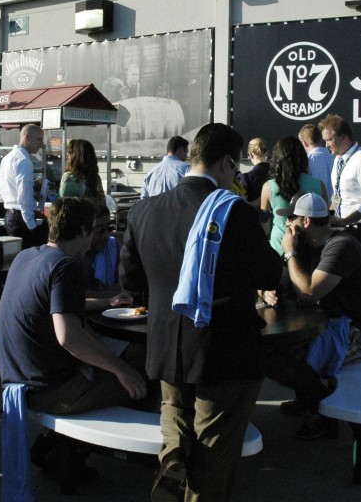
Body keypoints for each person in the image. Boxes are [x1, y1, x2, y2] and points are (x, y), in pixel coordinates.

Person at [122, 123, 282, 502]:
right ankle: (191, 482)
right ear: (227, 163)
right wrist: (287, 248)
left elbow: (130, 281)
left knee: (173, 405)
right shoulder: (234, 213)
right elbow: (269, 274)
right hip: (222, 351)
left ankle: (173, 454)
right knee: (214, 446)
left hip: (165, 343)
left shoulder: (143, 210)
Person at [0, 197, 145, 410]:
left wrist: (106, 302)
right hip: (50, 390)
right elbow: (69, 337)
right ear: (85, 230)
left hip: (16, 380)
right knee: (143, 380)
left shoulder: (26, 256)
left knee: (128, 355)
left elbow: (54, 306)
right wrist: (122, 370)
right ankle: (86, 443)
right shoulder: (65, 266)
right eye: (96, 229)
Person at [263, 192, 361, 440]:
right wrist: (265, 291)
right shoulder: (308, 244)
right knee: (272, 351)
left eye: (291, 218)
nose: (287, 225)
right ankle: (309, 399)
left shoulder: (341, 246)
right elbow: (282, 279)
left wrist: (290, 253)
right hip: (329, 326)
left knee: (283, 358)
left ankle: (320, 409)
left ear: (306, 222)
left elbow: (308, 290)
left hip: (356, 333)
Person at [319, 114, 361, 336]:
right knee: (346, 286)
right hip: (344, 228)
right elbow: (339, 196)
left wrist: (346, 220)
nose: (326, 145)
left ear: (343, 137)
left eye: (329, 140)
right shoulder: (339, 160)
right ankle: (349, 334)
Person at [261, 137, 327, 256]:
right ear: (302, 158)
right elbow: (324, 219)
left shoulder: (268, 187)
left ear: (277, 160)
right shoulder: (318, 184)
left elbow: (264, 224)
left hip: (278, 249)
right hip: (310, 249)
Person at [0, 124, 47, 248]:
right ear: (27, 137)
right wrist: (31, 225)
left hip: (10, 216)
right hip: (22, 218)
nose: (41, 144)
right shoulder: (24, 161)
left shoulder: (7, 158)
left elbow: (1, 193)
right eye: (39, 139)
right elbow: (24, 197)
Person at [299, 123, 335, 202]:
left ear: (304, 143)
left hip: (316, 207)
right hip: (335, 208)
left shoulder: (308, 161)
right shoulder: (335, 157)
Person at [239, 138, 270, 203]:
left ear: (250, 154)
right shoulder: (276, 174)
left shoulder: (247, 178)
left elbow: (243, 204)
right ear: (267, 153)